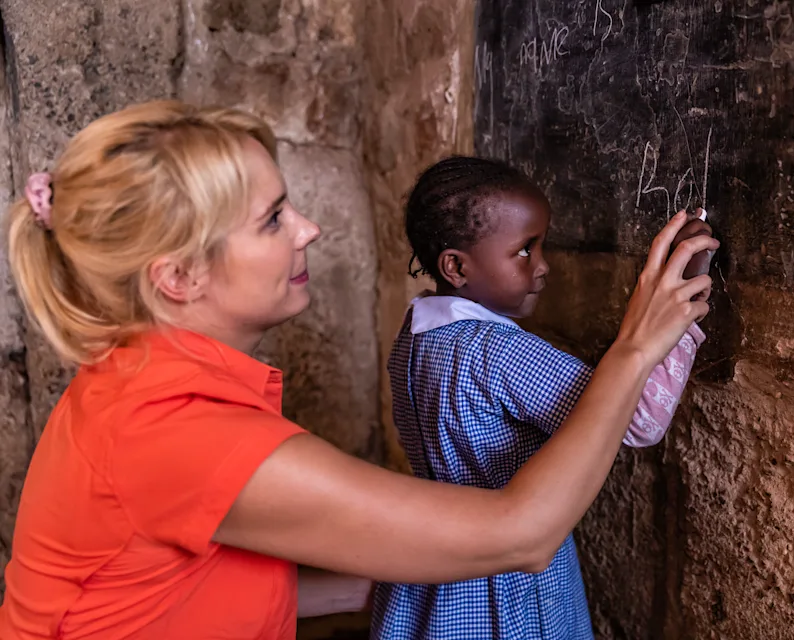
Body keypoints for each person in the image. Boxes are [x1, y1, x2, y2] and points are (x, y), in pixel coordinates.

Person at [0, 100, 718, 639]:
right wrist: (635, 347)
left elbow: (177, 586)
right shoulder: (175, 432)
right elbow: (521, 534)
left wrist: (389, 588)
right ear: (180, 277)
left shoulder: (141, 383)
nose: (308, 228)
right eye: (273, 218)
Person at [371, 156, 713, 639]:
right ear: (456, 266)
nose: (544, 265)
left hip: (435, 569)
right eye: (524, 251)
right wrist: (674, 317)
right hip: (506, 588)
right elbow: (638, 420)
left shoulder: (416, 335)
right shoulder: (494, 350)